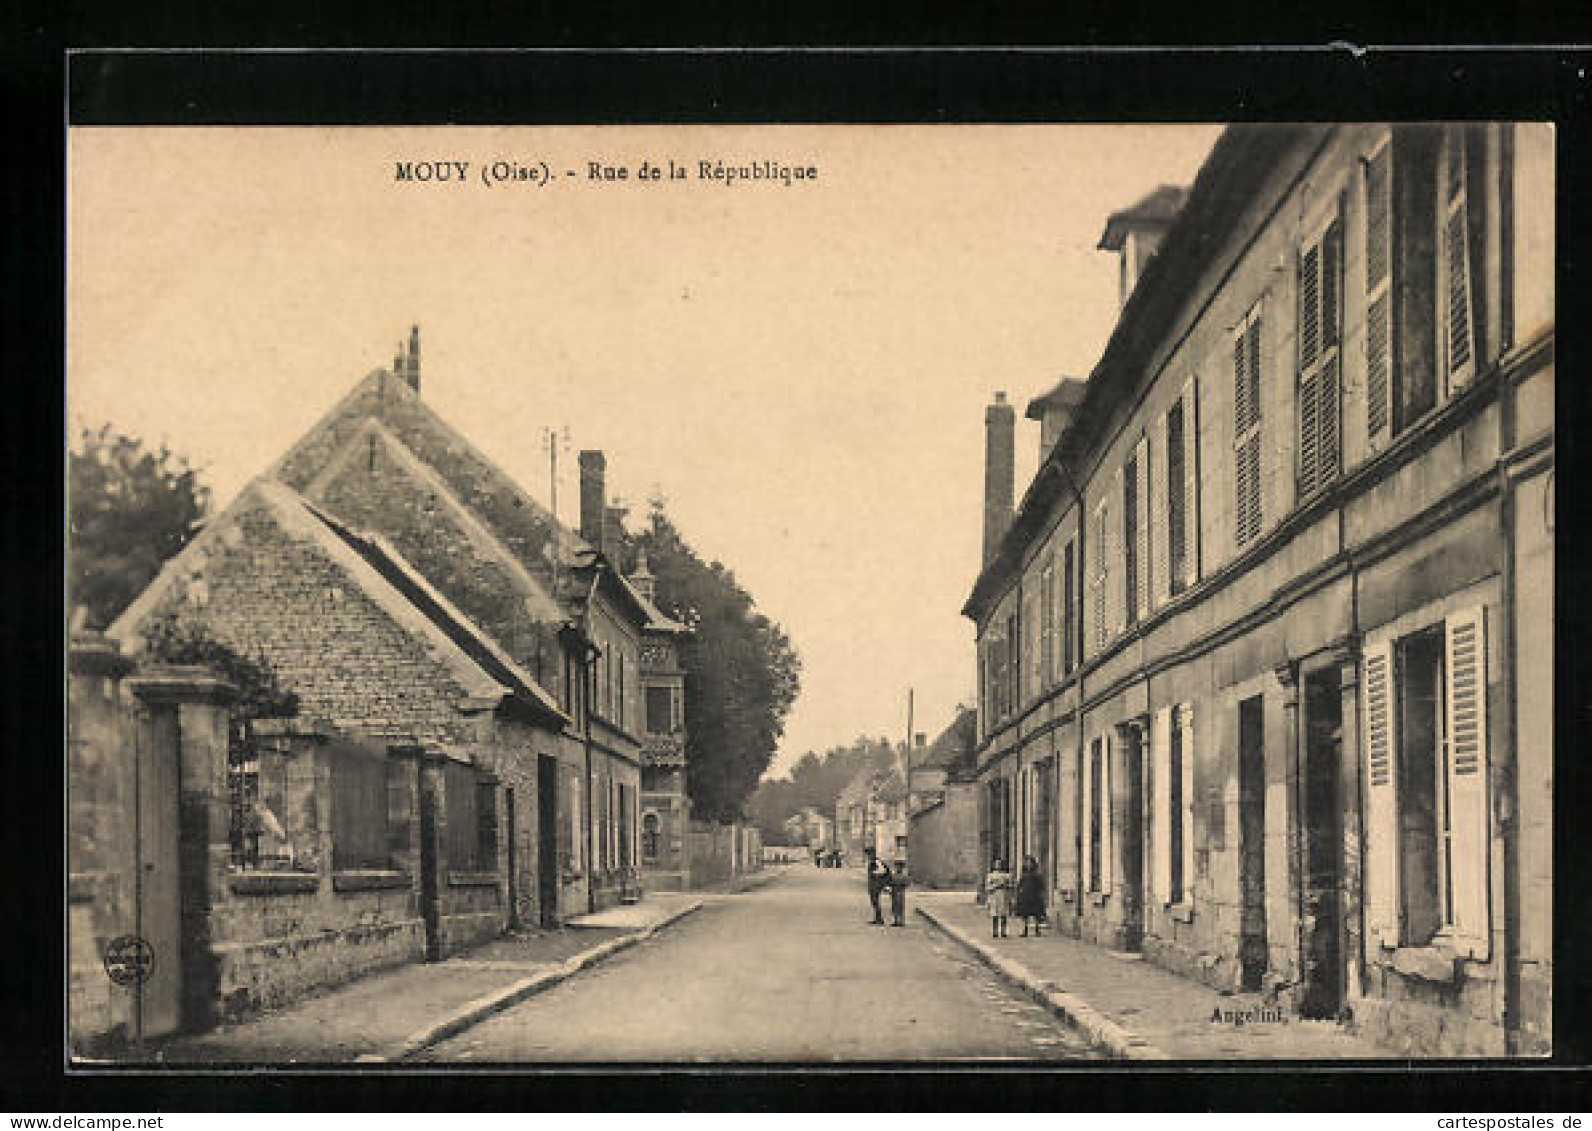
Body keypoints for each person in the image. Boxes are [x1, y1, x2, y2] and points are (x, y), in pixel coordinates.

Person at [1014, 854, 1047, 937]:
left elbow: (1041, 885)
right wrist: (1018, 894)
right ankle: (1025, 930)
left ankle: (1037, 930)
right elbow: (1019, 884)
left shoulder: (1037, 873)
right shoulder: (1023, 874)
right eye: (1026, 862)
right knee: (1025, 914)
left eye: (1030, 862)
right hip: (1025, 896)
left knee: (1036, 913)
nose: (1028, 864)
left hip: (1035, 895)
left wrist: (1041, 894)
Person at [985, 857, 1013, 938]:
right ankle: (995, 931)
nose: (998, 865)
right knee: (995, 914)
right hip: (994, 896)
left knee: (1004, 914)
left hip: (1004, 896)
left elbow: (1011, 886)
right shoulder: (991, 875)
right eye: (997, 864)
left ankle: (1004, 931)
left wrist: (1006, 885)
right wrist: (995, 885)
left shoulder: (1007, 875)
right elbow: (987, 887)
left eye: (1000, 864)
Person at [864, 847, 891, 925]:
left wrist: (874, 874)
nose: (867, 856)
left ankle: (879, 919)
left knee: (875, 902)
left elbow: (883, 870)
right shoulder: (873, 861)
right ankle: (877, 918)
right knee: (874, 902)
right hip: (873, 885)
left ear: (872, 854)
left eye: (868, 854)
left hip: (876, 885)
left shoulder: (876, 861)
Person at [887, 859, 911, 927]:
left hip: (900, 892)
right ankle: (896, 920)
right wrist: (890, 887)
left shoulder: (904, 876)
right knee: (894, 906)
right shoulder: (893, 875)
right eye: (896, 866)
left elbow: (907, 883)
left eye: (899, 866)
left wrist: (902, 886)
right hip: (894, 891)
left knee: (900, 906)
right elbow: (890, 882)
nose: (897, 868)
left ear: (902, 867)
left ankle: (901, 921)